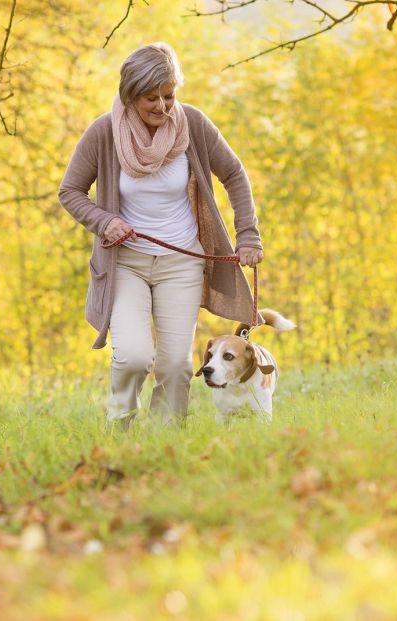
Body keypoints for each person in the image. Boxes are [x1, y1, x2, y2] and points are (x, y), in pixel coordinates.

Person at [58, 42, 264, 428]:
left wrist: (248, 236)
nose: (163, 107)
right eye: (151, 98)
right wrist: (104, 221)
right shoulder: (104, 133)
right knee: (133, 356)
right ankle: (120, 428)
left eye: (169, 96)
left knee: (175, 366)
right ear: (129, 95)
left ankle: (164, 440)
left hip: (182, 260)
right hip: (126, 264)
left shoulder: (194, 125)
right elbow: (70, 192)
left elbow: (235, 174)